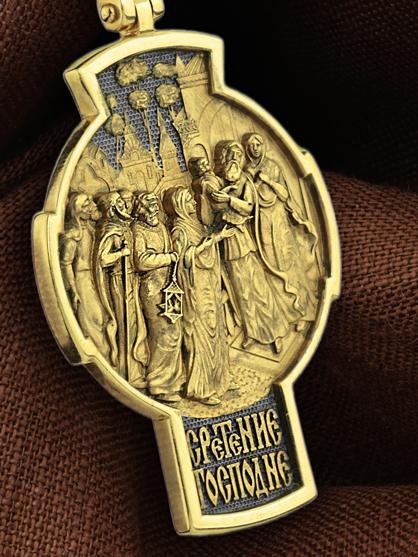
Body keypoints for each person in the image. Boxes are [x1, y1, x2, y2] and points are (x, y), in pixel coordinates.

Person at [211, 141, 289, 353]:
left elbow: (248, 207)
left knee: (259, 289)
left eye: (237, 155)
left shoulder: (244, 180)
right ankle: (253, 333)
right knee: (242, 293)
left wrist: (229, 200)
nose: (234, 159)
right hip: (228, 241)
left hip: (243, 240)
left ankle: (275, 333)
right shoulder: (219, 181)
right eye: (230, 155)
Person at [164, 187, 238, 405]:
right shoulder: (179, 230)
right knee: (203, 333)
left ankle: (221, 378)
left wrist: (216, 238)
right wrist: (211, 241)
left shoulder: (195, 224)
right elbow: (183, 258)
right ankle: (201, 388)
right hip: (194, 286)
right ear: (179, 206)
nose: (193, 203)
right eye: (188, 200)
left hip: (208, 282)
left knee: (217, 328)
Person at [243, 133, 318, 332]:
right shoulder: (248, 171)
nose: (255, 148)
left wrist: (268, 181)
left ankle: (306, 312)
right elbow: (249, 201)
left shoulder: (273, 167)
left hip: (278, 218)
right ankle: (289, 314)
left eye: (258, 144)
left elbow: (284, 195)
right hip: (262, 221)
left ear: (263, 146)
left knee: (289, 262)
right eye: (251, 145)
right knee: (272, 266)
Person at [131, 192, 183, 403]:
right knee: (162, 334)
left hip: (169, 286)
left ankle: (173, 382)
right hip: (152, 289)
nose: (154, 212)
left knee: (174, 331)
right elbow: (141, 261)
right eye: (150, 208)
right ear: (141, 211)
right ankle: (159, 384)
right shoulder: (137, 230)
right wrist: (168, 258)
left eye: (155, 207)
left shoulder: (161, 227)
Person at [93, 191, 147, 388]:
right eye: (120, 202)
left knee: (135, 323)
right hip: (119, 281)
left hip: (131, 278)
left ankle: (136, 370)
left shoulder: (123, 226)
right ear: (113, 207)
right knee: (127, 324)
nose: (125, 205)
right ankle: (129, 373)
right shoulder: (111, 229)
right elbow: (103, 259)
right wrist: (121, 252)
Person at [60, 192, 109, 359]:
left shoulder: (90, 228)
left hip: (95, 278)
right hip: (82, 281)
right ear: (76, 211)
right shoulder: (72, 234)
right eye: (85, 206)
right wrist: (73, 290)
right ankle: (100, 354)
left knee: (102, 318)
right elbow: (65, 264)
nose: (90, 209)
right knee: (94, 319)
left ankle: (104, 353)